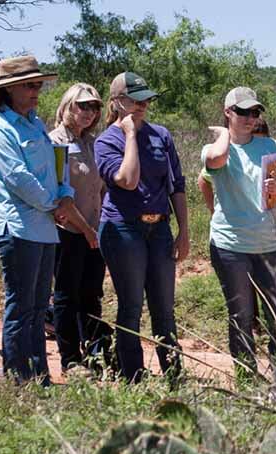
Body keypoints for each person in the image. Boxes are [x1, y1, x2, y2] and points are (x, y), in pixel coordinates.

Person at [0, 56, 86, 384]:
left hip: (44, 228)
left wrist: (65, 193)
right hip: (18, 226)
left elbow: (58, 163)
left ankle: (40, 375)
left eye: (38, 84)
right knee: (21, 305)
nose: (36, 90)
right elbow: (18, 177)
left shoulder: (37, 124)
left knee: (40, 308)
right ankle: (19, 378)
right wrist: (54, 203)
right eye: (29, 85)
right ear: (9, 89)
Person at [202, 86, 276, 370]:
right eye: (243, 112)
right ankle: (246, 375)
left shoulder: (272, 147)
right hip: (230, 248)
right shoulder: (215, 149)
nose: (250, 118)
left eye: (255, 112)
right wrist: (225, 134)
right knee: (242, 314)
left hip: (270, 245)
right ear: (227, 113)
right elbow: (215, 163)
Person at [95, 72, 189, 382]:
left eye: (145, 99)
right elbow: (128, 179)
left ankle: (174, 377)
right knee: (131, 306)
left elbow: (177, 184)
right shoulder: (106, 140)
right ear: (117, 102)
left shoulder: (161, 135)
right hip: (123, 230)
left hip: (159, 229)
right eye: (135, 100)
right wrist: (131, 135)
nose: (142, 105)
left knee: (164, 308)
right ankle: (133, 378)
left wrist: (184, 231)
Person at [49, 83, 113, 372]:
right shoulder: (54, 142)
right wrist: (87, 230)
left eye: (95, 107)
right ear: (67, 107)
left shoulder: (92, 142)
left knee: (91, 294)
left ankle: (96, 354)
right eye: (83, 105)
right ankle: (70, 359)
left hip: (94, 233)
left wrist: (99, 226)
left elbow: (98, 188)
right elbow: (60, 197)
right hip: (69, 232)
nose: (89, 112)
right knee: (66, 295)